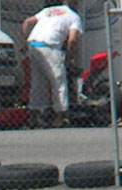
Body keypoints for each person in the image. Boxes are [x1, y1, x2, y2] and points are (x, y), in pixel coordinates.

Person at [21, 0, 83, 128]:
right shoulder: (74, 17)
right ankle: (61, 115)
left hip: (33, 45)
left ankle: (35, 114)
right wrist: (69, 56)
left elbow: (27, 22)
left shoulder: (48, 11)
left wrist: (23, 42)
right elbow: (72, 39)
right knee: (58, 81)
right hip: (50, 46)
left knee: (38, 82)